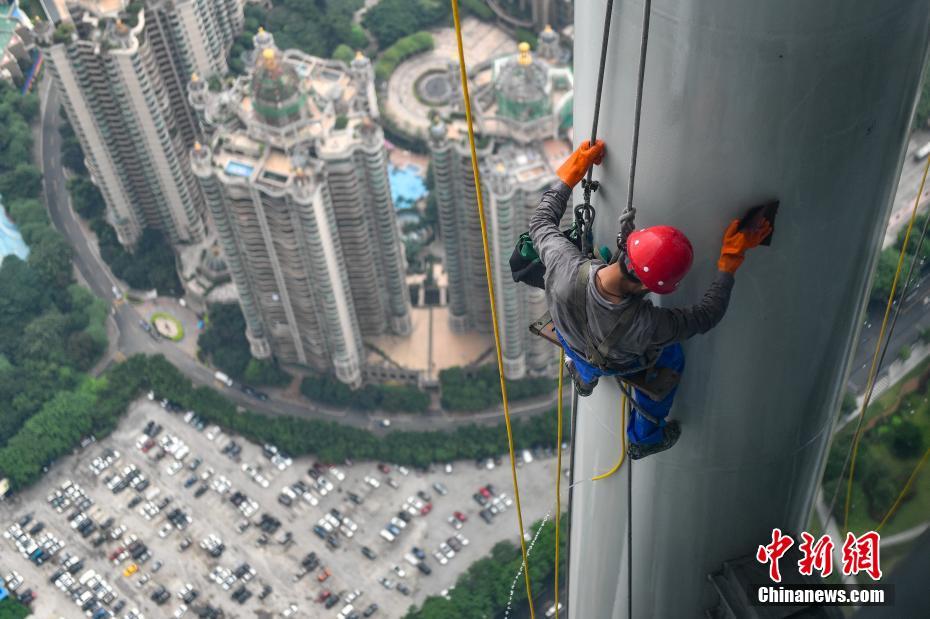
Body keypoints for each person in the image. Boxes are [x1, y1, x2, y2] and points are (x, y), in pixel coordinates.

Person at [529, 140, 772, 459]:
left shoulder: (563, 263)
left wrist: (570, 175)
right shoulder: (648, 326)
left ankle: (584, 377)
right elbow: (706, 315)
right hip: (615, 356)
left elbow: (541, 223)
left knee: (583, 349)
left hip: (570, 333)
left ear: (628, 246)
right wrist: (729, 260)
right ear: (649, 288)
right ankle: (645, 437)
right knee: (671, 357)